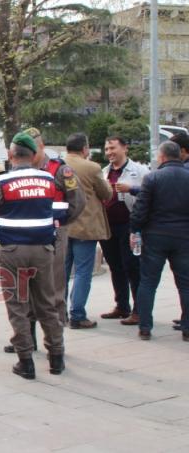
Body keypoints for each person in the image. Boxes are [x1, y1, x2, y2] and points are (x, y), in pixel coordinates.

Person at [0, 132, 64, 380]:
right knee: (47, 305)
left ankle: (26, 361)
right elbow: (65, 206)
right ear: (33, 155)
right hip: (43, 249)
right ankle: (56, 359)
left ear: (11, 155)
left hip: (12, 250)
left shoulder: (4, 180)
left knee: (17, 306)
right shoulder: (49, 179)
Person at [130, 141, 189, 341]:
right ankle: (187, 329)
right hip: (184, 237)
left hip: (155, 236)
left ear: (162, 157)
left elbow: (140, 210)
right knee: (186, 284)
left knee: (147, 282)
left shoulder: (152, 178)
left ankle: (145, 327)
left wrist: (135, 230)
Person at [63, 132, 112, 329]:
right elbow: (106, 193)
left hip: (63, 225)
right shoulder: (91, 167)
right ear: (84, 149)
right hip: (85, 226)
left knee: (62, 272)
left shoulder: (57, 165)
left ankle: (60, 313)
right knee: (83, 271)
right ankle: (77, 314)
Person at [99, 136, 149, 326]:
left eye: (113, 148)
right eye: (106, 149)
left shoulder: (140, 171)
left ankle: (139, 309)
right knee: (115, 266)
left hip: (130, 226)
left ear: (124, 148)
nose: (109, 152)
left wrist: (131, 189)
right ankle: (122, 305)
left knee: (133, 267)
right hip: (108, 227)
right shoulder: (104, 172)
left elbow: (148, 195)